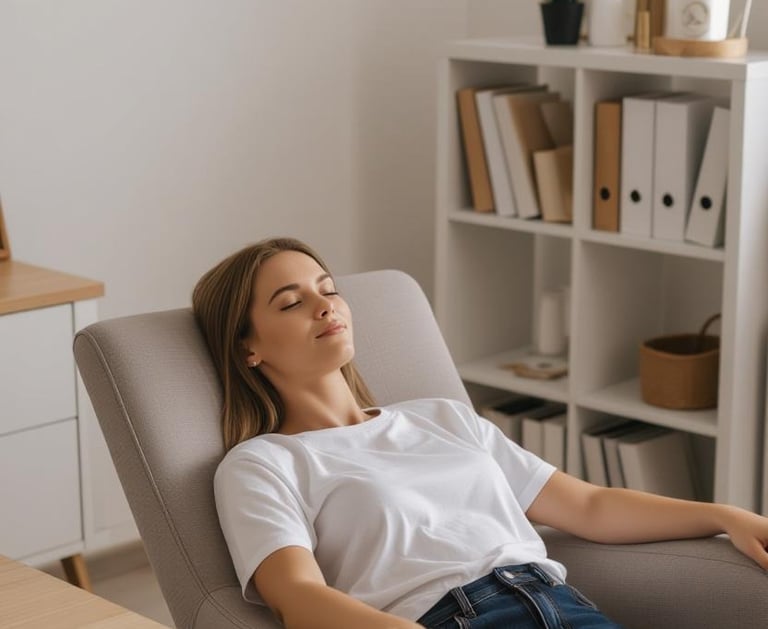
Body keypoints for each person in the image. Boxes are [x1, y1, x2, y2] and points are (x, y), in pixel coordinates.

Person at [192, 236, 768, 629]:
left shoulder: (441, 418)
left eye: (328, 288)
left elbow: (591, 506)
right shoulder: (262, 464)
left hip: (564, 606)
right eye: (292, 302)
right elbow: (298, 598)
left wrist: (724, 516)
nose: (325, 306)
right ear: (248, 348)